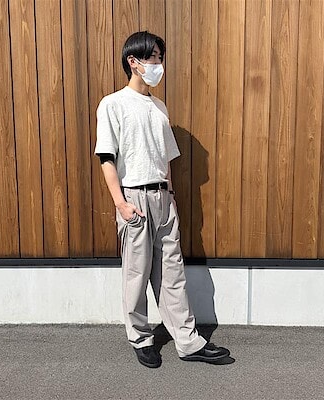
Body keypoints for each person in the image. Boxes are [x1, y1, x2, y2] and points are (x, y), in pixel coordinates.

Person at [95, 31, 229, 368]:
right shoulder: (113, 104)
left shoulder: (159, 107)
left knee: (173, 272)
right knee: (136, 275)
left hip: (163, 197)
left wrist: (171, 196)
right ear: (133, 61)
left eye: (159, 57)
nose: (158, 64)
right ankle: (141, 339)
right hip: (134, 198)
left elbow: (165, 157)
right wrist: (121, 204)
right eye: (153, 57)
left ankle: (188, 341)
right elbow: (106, 158)